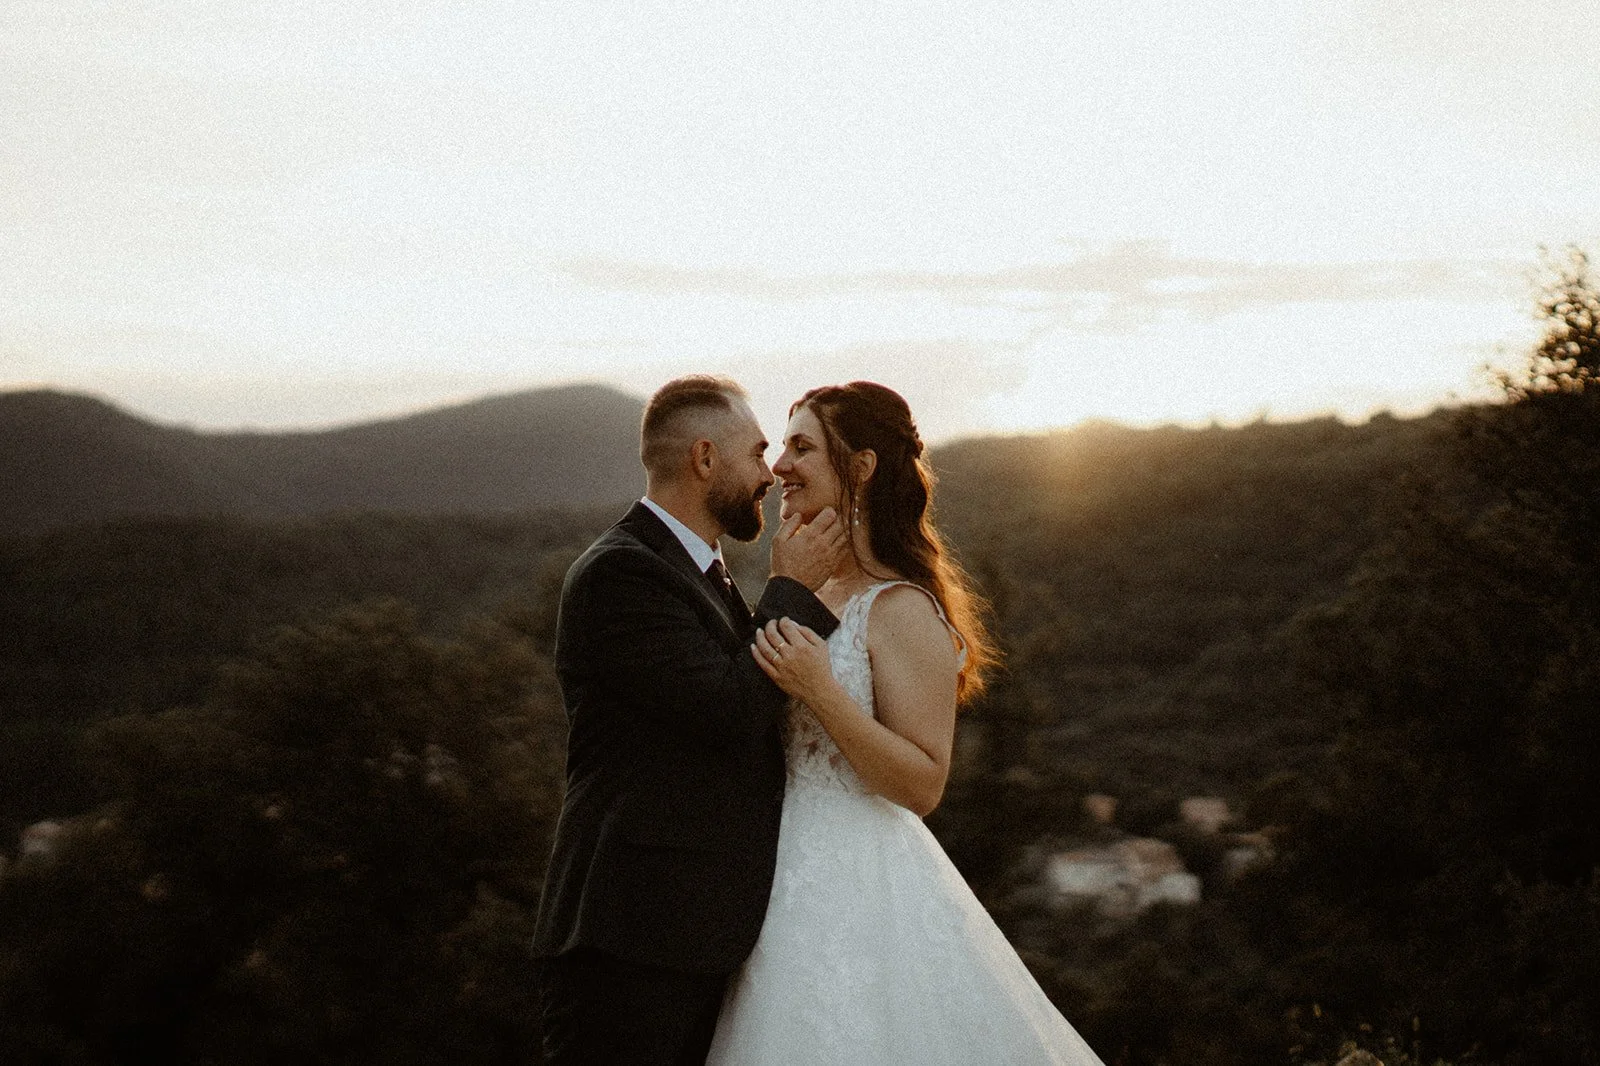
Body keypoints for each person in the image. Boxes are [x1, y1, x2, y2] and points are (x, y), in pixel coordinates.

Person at [707, 381, 1108, 1065]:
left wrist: (821, 692)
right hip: (774, 881)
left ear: (860, 467)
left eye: (802, 446)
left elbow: (924, 784)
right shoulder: (810, 594)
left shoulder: (900, 607)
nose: (779, 467)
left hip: (862, 886)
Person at [531, 375, 847, 1066]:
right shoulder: (620, 575)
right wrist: (790, 591)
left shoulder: (706, 575)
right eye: (757, 453)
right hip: (629, 945)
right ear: (706, 459)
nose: (769, 475)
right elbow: (730, 710)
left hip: (690, 939)